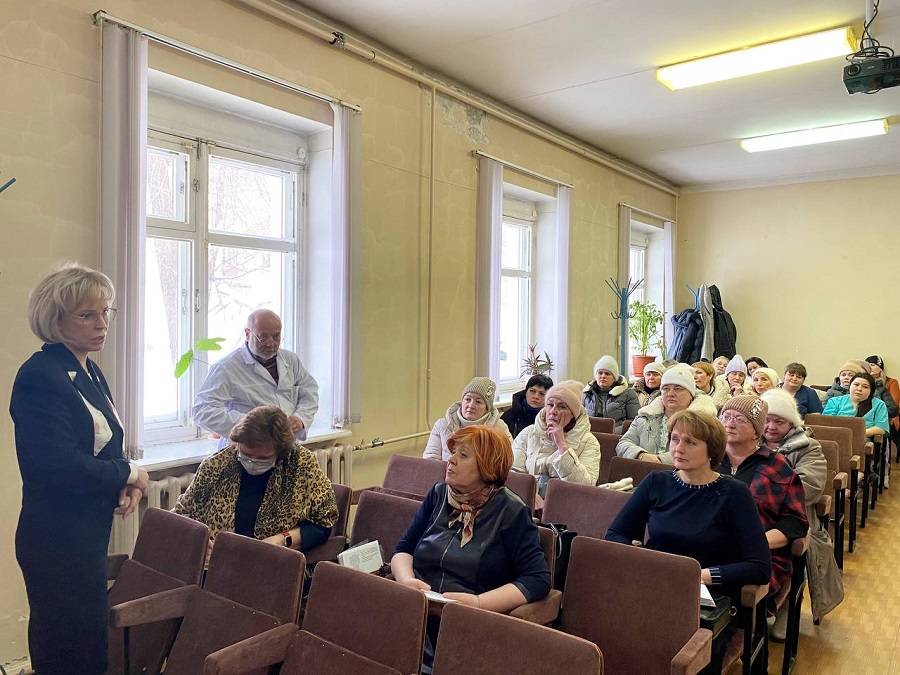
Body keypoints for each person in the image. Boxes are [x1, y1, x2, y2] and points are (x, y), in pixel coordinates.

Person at [10, 264, 150, 674]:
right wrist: (130, 473)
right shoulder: (40, 375)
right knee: (66, 648)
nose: (102, 323)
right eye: (87, 315)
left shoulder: (87, 368)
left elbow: (103, 446)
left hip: (85, 531)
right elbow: (57, 465)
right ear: (55, 320)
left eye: (106, 311)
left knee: (86, 642)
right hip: (55, 537)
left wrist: (126, 482)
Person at [606, 410, 771, 673]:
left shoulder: (733, 493)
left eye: (690, 442)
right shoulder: (657, 482)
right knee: (615, 635)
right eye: (674, 439)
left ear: (712, 449)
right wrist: (636, 554)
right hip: (655, 582)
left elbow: (760, 567)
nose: (678, 448)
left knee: (669, 648)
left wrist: (702, 576)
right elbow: (615, 534)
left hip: (706, 596)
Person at [394, 425, 550, 670]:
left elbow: (537, 579)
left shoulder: (510, 510)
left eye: (463, 455)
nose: (451, 460)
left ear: (487, 467)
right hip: (416, 612)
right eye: (452, 453)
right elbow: (403, 549)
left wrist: (478, 603)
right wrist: (405, 581)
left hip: (468, 625)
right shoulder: (438, 494)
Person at [174, 406, 338, 555]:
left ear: (280, 452)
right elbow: (182, 514)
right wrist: (200, 538)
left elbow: (323, 525)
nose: (252, 462)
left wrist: (283, 539)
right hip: (219, 562)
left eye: (262, 458)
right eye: (246, 454)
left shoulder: (301, 465)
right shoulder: (217, 465)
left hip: (276, 563)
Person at [717, 397, 809, 614]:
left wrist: (754, 542)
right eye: (726, 417)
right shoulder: (708, 458)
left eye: (739, 419)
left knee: (723, 594)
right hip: (707, 546)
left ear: (756, 431)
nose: (729, 424)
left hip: (756, 554)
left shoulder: (775, 465)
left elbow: (795, 522)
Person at [759, 388, 832, 637]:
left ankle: (786, 604)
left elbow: (808, 487)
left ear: (792, 423)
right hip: (754, 515)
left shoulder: (808, 447)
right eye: (766, 419)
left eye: (778, 421)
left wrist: (760, 494)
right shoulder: (749, 442)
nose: (770, 426)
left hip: (793, 518)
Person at [192, 309, 319, 446]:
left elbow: (309, 390)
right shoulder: (226, 367)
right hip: (246, 449)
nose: (271, 343)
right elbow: (202, 411)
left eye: (276, 336)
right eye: (263, 337)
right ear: (247, 334)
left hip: (285, 446)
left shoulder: (291, 360)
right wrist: (250, 426)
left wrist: (300, 418)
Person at [616, 364, 718, 463]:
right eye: (665, 389)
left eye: (678, 388)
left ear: (691, 394)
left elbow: (705, 450)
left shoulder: (704, 420)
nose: (671, 393)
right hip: (644, 473)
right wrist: (641, 455)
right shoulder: (645, 416)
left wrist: (661, 460)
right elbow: (623, 443)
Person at [512, 380, 600, 490]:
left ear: (573, 414)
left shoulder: (589, 442)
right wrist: (531, 496)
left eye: (562, 407)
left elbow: (585, 486)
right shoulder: (529, 433)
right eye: (550, 404)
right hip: (529, 500)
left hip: (567, 502)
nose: (553, 411)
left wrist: (562, 445)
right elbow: (513, 473)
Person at [423, 377, 512, 460]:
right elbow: (430, 460)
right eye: (467, 399)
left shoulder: (499, 427)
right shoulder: (442, 425)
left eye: (478, 401)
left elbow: (509, 459)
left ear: (486, 408)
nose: (471, 405)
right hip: (447, 475)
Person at [581, 355, 640, 431]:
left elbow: (634, 422)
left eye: (607, 374)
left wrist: (612, 432)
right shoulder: (587, 393)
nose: (603, 376)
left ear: (614, 378)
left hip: (616, 437)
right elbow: (579, 420)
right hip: (590, 436)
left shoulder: (628, 394)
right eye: (600, 373)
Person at [823, 371, 890, 437]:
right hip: (835, 438)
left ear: (871, 391)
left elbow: (881, 428)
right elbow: (826, 424)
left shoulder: (879, 404)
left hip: (863, 440)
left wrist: (856, 434)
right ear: (850, 386)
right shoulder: (835, 401)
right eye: (856, 384)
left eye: (865, 387)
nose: (859, 389)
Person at [501, 374, 553, 439]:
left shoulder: (552, 418)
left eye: (541, 394)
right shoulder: (509, 415)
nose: (536, 396)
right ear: (525, 392)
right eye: (532, 391)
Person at [864, 355, 899, 420]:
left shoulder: (891, 382)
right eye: (867, 365)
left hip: (887, 418)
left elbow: (894, 406)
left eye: (872, 365)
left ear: (880, 368)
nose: (870, 367)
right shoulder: (863, 382)